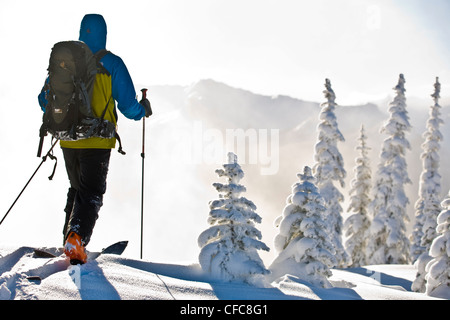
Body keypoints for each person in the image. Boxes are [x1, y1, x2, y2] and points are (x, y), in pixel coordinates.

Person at [38, 14, 152, 264]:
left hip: (67, 139)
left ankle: (69, 239)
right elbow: (128, 106)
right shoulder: (111, 63)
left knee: (77, 189)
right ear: (104, 34)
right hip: (97, 140)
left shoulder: (66, 62)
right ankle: (75, 240)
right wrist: (143, 110)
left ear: (81, 31)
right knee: (91, 192)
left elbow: (43, 99)